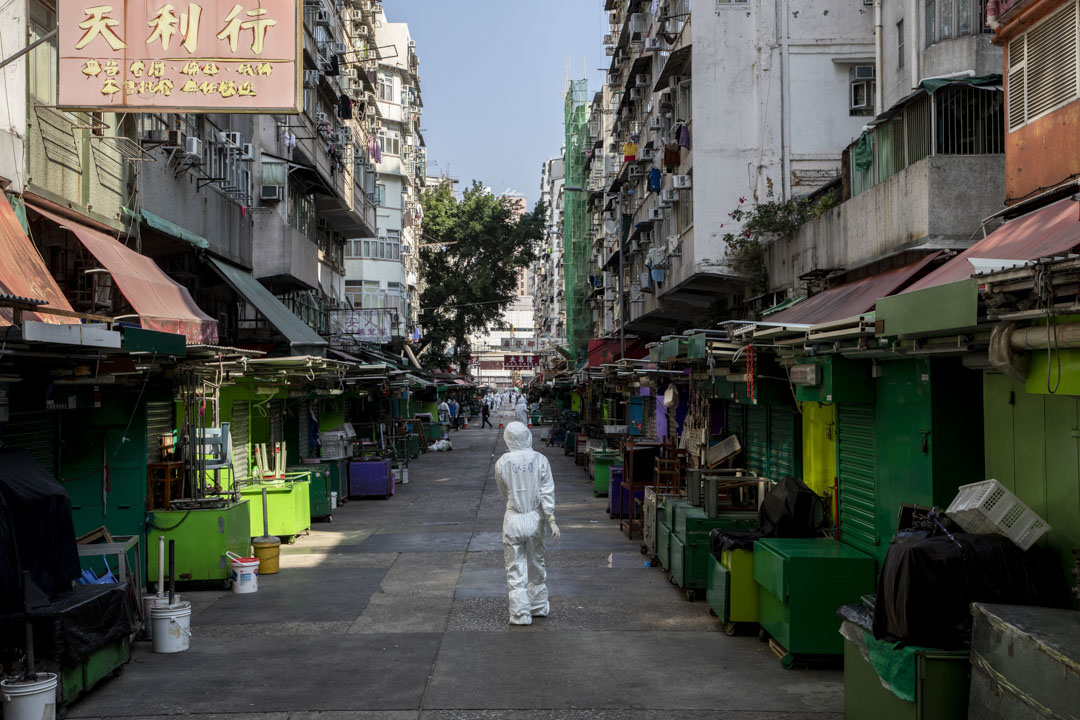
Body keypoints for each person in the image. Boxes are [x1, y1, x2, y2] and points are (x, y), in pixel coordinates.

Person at [494, 422, 560, 625]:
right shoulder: (540, 459)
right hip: (535, 518)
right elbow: (547, 491)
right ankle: (538, 605)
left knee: (515, 566)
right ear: (528, 436)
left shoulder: (502, 462)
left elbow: (503, 491)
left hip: (513, 518)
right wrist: (551, 519)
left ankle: (520, 613)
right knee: (536, 563)